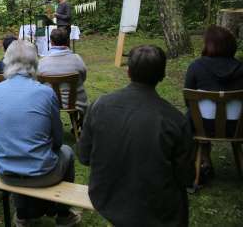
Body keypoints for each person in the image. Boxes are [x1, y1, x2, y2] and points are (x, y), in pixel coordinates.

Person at [78, 45, 194, 226]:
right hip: (153, 207)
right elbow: (186, 177)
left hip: (106, 196)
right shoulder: (175, 120)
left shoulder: (99, 105)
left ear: (129, 72)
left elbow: (84, 157)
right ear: (162, 75)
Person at [0, 40, 81, 226]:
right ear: (35, 62)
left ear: (7, 62)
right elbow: (58, 141)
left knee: (17, 148)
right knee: (67, 152)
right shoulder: (46, 93)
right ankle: (63, 214)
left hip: (5, 171)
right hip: (41, 173)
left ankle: (23, 215)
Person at [184, 25, 243, 178]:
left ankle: (202, 158)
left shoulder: (196, 67)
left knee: (190, 115)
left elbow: (188, 100)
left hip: (202, 126)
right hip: (237, 128)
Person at [38, 28, 88, 115]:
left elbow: (39, 83)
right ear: (68, 41)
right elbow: (83, 77)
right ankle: (77, 123)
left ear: (51, 42)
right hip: (77, 102)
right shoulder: (77, 59)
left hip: (50, 102)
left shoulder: (42, 63)